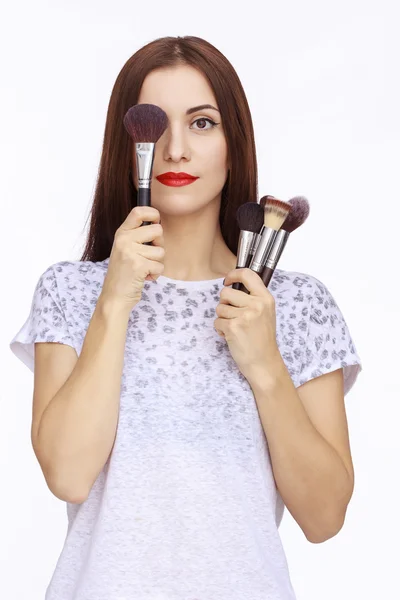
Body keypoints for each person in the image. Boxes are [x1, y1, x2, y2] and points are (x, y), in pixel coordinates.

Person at [10, 36, 362, 600]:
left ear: (233, 143)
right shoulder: (71, 291)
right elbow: (68, 475)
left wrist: (266, 366)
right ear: (126, 144)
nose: (175, 149)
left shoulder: (296, 305)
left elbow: (324, 519)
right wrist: (114, 302)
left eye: (202, 123)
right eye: (160, 125)